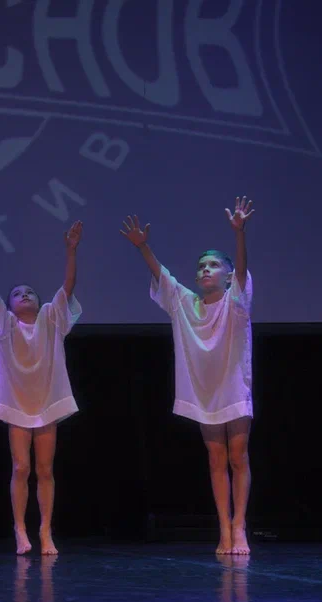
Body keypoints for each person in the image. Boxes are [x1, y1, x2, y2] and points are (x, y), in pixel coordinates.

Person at [120, 197, 256, 555]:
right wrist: (143, 247)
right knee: (215, 459)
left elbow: (243, 271)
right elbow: (162, 276)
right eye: (201, 266)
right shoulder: (184, 303)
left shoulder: (236, 302)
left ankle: (239, 525)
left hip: (233, 387)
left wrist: (239, 234)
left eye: (214, 265)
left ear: (228, 277)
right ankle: (224, 528)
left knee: (238, 456)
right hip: (204, 392)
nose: (205, 270)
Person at [0, 221, 83, 555]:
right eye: (17, 293)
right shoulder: (5, 323)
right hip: (17, 401)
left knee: (45, 469)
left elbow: (68, 287)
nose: (25, 295)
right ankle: (20, 529)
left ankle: (45, 530)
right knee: (21, 467)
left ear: (40, 301)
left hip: (47, 399)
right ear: (11, 304)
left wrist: (71, 251)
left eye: (29, 292)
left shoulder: (51, 318)